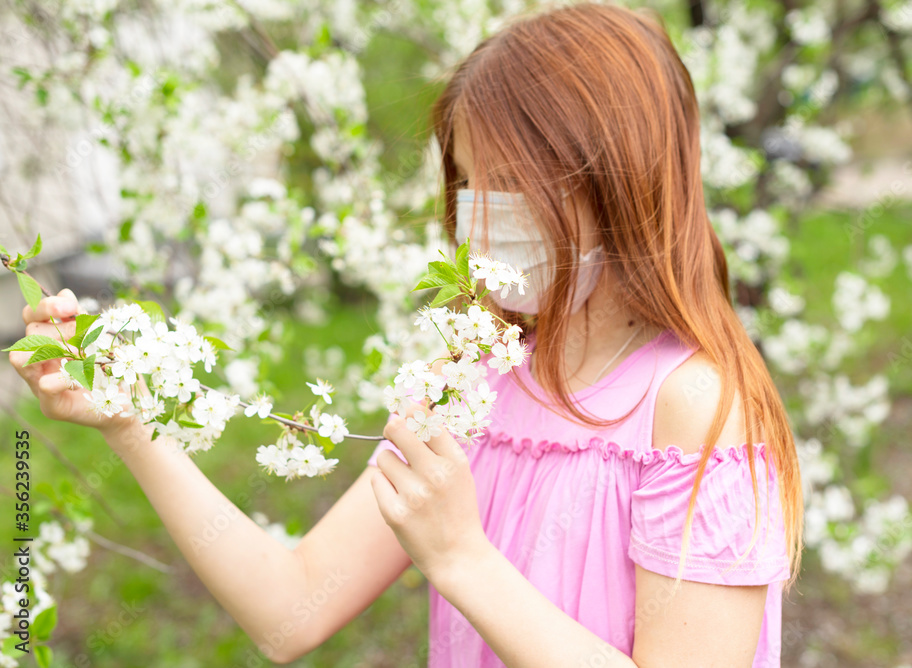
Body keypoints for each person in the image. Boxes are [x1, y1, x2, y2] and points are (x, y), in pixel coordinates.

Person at [10, 2, 804, 666]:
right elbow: (291, 609)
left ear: (618, 180)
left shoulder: (692, 405)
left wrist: (461, 558)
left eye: (514, 185)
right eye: (470, 181)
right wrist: (130, 424)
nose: (482, 215)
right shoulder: (471, 379)